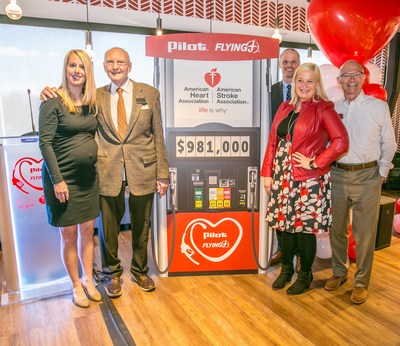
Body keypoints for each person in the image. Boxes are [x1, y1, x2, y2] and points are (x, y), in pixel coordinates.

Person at [41, 47, 169, 297]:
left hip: (143, 169)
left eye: (120, 62)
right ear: (103, 66)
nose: (115, 66)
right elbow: (67, 105)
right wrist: (47, 91)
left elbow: (159, 136)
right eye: (110, 61)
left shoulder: (150, 94)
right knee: (108, 227)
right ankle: (113, 274)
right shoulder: (94, 97)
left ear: (130, 65)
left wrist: (162, 174)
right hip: (106, 170)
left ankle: (140, 270)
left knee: (142, 224)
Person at [261, 62, 349, 295]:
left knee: (303, 229)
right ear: (294, 82)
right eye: (300, 80)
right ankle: (287, 270)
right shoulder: (284, 108)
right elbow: (272, 142)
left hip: (308, 180)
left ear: (317, 83)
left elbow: (341, 141)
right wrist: (267, 173)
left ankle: (304, 273)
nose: (304, 85)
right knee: (286, 227)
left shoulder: (323, 109)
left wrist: (316, 162)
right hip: (282, 176)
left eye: (310, 81)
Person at [324, 60, 396, 304]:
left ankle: (362, 283)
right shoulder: (331, 108)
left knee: (364, 234)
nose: (351, 80)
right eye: (346, 75)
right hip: (337, 175)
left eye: (356, 75)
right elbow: (326, 142)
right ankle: (339, 272)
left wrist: (382, 174)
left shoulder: (378, 107)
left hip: (368, 176)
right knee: (337, 229)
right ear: (339, 80)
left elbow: (389, 143)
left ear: (364, 78)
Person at [39, 49, 102, 308]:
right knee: (68, 235)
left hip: (88, 179)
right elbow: (45, 143)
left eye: (82, 67)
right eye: (72, 65)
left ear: (88, 72)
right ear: (65, 69)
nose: (77, 71)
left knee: (88, 231)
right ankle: (75, 285)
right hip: (63, 180)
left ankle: (88, 279)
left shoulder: (91, 102)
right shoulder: (52, 101)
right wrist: (58, 180)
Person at [269, 48, 301, 266]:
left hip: (301, 160)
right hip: (277, 160)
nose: (289, 66)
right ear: (280, 64)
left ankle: (299, 254)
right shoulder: (270, 91)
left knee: (299, 208)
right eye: (285, 62)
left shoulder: (309, 94)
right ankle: (282, 249)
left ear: (299, 64)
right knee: (280, 205)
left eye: (293, 61)